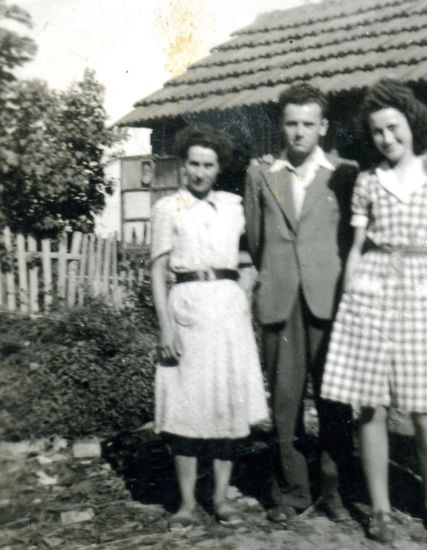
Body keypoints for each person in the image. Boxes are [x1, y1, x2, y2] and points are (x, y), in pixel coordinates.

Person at [321, 79, 427, 543]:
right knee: (370, 405)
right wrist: (348, 301)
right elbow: (357, 247)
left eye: (393, 128)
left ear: (412, 125)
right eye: (378, 131)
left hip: (422, 292)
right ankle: (379, 508)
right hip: (373, 292)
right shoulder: (367, 181)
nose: (387, 138)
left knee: (423, 408)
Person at [243, 83, 358, 523]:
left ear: (323, 127)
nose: (299, 132)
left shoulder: (344, 172)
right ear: (280, 125)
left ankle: (334, 491)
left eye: (308, 124)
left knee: (334, 401)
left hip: (328, 300)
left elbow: (349, 237)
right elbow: (255, 240)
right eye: (291, 123)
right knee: (285, 402)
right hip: (279, 299)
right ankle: (291, 492)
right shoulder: (261, 174)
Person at [150, 125, 269, 528]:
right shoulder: (168, 208)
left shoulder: (234, 205)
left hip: (227, 311)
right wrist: (166, 327)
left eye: (208, 165)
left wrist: (247, 293)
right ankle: (186, 502)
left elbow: (252, 252)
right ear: (183, 166)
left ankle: (220, 499)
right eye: (193, 164)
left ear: (219, 168)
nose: (200, 172)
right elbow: (157, 270)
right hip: (186, 307)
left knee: (225, 405)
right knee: (186, 407)